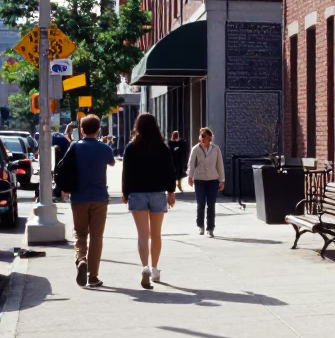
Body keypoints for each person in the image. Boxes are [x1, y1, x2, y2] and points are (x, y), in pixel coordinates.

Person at [121, 113, 177, 289]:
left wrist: (125, 192)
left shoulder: (131, 148)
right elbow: (170, 170)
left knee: (143, 235)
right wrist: (171, 191)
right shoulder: (162, 147)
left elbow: (126, 172)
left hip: (137, 193)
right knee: (157, 234)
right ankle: (154, 269)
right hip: (158, 194)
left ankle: (144, 267)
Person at [64, 114, 115, 290]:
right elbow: (112, 163)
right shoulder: (104, 148)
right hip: (100, 197)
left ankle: (81, 259)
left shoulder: (75, 147)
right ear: (99, 130)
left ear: (82, 130)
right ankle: (93, 276)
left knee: (80, 233)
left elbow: (65, 167)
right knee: (96, 237)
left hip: (79, 197)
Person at [187, 127, 225, 237]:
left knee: (211, 204)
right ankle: (200, 226)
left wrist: (222, 180)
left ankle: (210, 228)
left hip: (213, 180)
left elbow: (220, 165)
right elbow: (191, 164)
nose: (202, 138)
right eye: (201, 136)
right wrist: (190, 176)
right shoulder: (196, 149)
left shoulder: (216, 149)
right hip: (199, 180)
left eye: (205, 136)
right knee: (201, 203)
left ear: (210, 138)